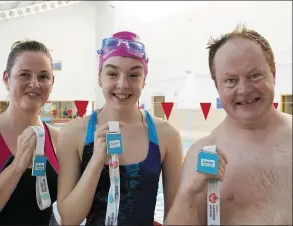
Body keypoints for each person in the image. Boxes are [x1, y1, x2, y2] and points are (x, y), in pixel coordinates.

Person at [165, 25, 292, 225]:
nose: (244, 89)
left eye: (255, 75)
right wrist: (186, 194)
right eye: (231, 80)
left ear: (273, 74)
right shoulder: (202, 154)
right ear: (217, 86)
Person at [56, 31, 183, 225]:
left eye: (134, 75)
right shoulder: (73, 133)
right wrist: (96, 161)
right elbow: (69, 219)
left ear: (144, 80)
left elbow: (175, 214)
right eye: (112, 74)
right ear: (100, 78)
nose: (122, 84)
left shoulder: (167, 135)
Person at [0, 40, 60, 225]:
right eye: (24, 75)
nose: (34, 83)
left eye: (43, 76)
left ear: (52, 82)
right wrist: (17, 167)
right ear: (6, 79)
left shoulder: (58, 139)